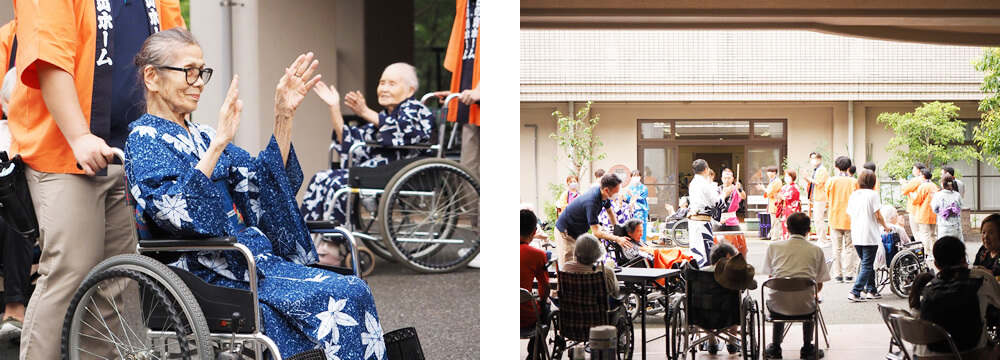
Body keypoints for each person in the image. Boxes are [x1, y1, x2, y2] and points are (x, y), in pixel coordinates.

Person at [126, 29, 383, 358]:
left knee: (352, 289)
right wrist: (218, 146)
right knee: (343, 292)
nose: (199, 82)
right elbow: (174, 212)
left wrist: (283, 117)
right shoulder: (144, 139)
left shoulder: (204, 134)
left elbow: (262, 183)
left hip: (251, 262)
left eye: (202, 72)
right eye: (189, 71)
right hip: (207, 269)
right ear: (152, 76)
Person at [10, 1, 185, 358]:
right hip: (63, 151)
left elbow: (176, 60)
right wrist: (78, 136)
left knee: (115, 282)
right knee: (71, 271)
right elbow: (49, 58)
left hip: (131, 153)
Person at [303, 63, 434, 224]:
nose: (384, 88)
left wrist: (365, 112)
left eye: (391, 84)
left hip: (401, 170)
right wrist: (334, 107)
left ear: (410, 90)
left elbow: (405, 131)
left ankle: (333, 242)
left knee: (339, 183)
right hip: (379, 170)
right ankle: (309, 237)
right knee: (321, 178)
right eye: (382, 83)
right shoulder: (384, 115)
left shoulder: (417, 109)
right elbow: (350, 140)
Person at [909, 236, 1000, 359]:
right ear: (964, 259)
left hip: (927, 357)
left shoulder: (929, 285)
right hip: (971, 355)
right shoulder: (981, 277)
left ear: (936, 264)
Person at [761, 212, 830, 359]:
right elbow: (819, 284)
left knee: (780, 297)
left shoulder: (773, 247)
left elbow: (771, 278)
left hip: (776, 306)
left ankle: (775, 347)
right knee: (811, 301)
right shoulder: (816, 250)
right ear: (808, 229)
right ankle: (807, 347)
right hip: (805, 307)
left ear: (787, 228)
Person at [0, 67, 30, 343]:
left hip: (27, 219)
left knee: (14, 221)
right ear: (5, 104)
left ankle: (14, 308)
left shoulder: (40, 136)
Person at [554, 173, 634, 266]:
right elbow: (596, 232)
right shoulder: (591, 202)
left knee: (579, 263)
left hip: (578, 231)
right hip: (565, 232)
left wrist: (618, 230)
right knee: (568, 265)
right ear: (607, 190)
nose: (618, 193)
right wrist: (617, 239)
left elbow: (610, 212)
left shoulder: (603, 195)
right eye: (616, 191)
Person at [441, 0, 480, 177]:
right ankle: (471, 206)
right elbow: (466, 54)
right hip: (471, 97)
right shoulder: (464, 3)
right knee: (468, 166)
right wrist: (456, 90)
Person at [845, 169, 889, 302]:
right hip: (869, 234)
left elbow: (850, 213)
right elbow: (878, 215)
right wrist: (886, 227)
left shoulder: (854, 195)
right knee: (867, 265)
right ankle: (855, 292)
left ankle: (872, 290)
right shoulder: (873, 195)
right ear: (873, 181)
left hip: (856, 234)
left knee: (866, 264)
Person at [520, 209, 550, 360]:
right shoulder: (537, 255)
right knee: (546, 309)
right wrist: (542, 300)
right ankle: (534, 353)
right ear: (534, 231)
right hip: (524, 316)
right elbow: (544, 287)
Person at [826, 156, 859, 283]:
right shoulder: (854, 182)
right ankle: (849, 274)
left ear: (836, 167)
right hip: (850, 219)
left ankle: (838, 274)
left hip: (835, 216)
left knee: (837, 247)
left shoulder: (831, 181)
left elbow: (828, 197)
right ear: (849, 168)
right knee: (850, 247)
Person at [688, 159, 720, 267]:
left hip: (694, 221)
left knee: (697, 250)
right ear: (706, 169)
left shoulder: (693, 183)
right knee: (705, 252)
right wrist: (724, 194)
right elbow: (717, 202)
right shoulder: (705, 183)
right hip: (702, 222)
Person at [802, 152, 830, 247]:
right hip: (817, 197)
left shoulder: (822, 169)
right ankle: (821, 239)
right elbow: (812, 183)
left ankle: (823, 240)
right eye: (812, 158)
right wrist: (806, 178)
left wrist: (808, 177)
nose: (813, 160)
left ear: (819, 159)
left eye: (815, 158)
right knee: (817, 219)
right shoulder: (817, 170)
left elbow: (818, 182)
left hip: (820, 197)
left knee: (819, 219)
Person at [912, 168, 939, 254]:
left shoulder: (923, 186)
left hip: (924, 213)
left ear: (923, 176)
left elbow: (917, 200)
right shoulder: (934, 186)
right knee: (933, 234)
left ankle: (927, 253)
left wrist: (912, 195)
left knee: (925, 234)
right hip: (933, 213)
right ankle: (935, 252)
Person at [931, 173, 963, 241]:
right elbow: (960, 207)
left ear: (942, 184)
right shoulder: (957, 195)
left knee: (944, 247)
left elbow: (934, 209)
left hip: (943, 225)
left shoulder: (938, 195)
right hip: (956, 226)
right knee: (955, 246)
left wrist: (942, 212)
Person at [900, 162, 928, 237]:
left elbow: (905, 190)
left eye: (914, 168)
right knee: (923, 231)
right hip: (923, 208)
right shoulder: (925, 180)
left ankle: (920, 247)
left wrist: (903, 183)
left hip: (914, 208)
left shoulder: (915, 180)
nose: (913, 170)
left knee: (916, 230)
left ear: (918, 170)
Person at [755, 165, 782, 241]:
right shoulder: (772, 181)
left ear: (775, 172)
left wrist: (763, 188)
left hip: (775, 204)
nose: (769, 173)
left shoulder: (777, 181)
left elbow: (771, 192)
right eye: (768, 172)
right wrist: (763, 189)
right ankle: (773, 235)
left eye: (771, 172)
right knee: (773, 221)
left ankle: (775, 236)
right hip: (772, 204)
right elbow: (769, 192)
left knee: (775, 221)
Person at [625, 169, 650, 242]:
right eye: (633, 176)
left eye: (637, 176)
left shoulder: (644, 188)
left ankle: (642, 243)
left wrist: (632, 195)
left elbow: (642, 198)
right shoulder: (630, 188)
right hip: (633, 210)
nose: (635, 178)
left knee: (641, 227)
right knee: (632, 228)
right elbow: (627, 199)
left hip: (641, 210)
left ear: (640, 177)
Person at [776, 169, 801, 240]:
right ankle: (784, 239)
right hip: (785, 209)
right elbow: (780, 199)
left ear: (792, 177)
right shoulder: (784, 187)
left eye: (788, 176)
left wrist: (782, 197)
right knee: (785, 225)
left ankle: (792, 239)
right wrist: (779, 198)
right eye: (785, 176)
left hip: (792, 209)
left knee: (792, 224)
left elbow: (793, 199)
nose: (786, 177)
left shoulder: (795, 187)